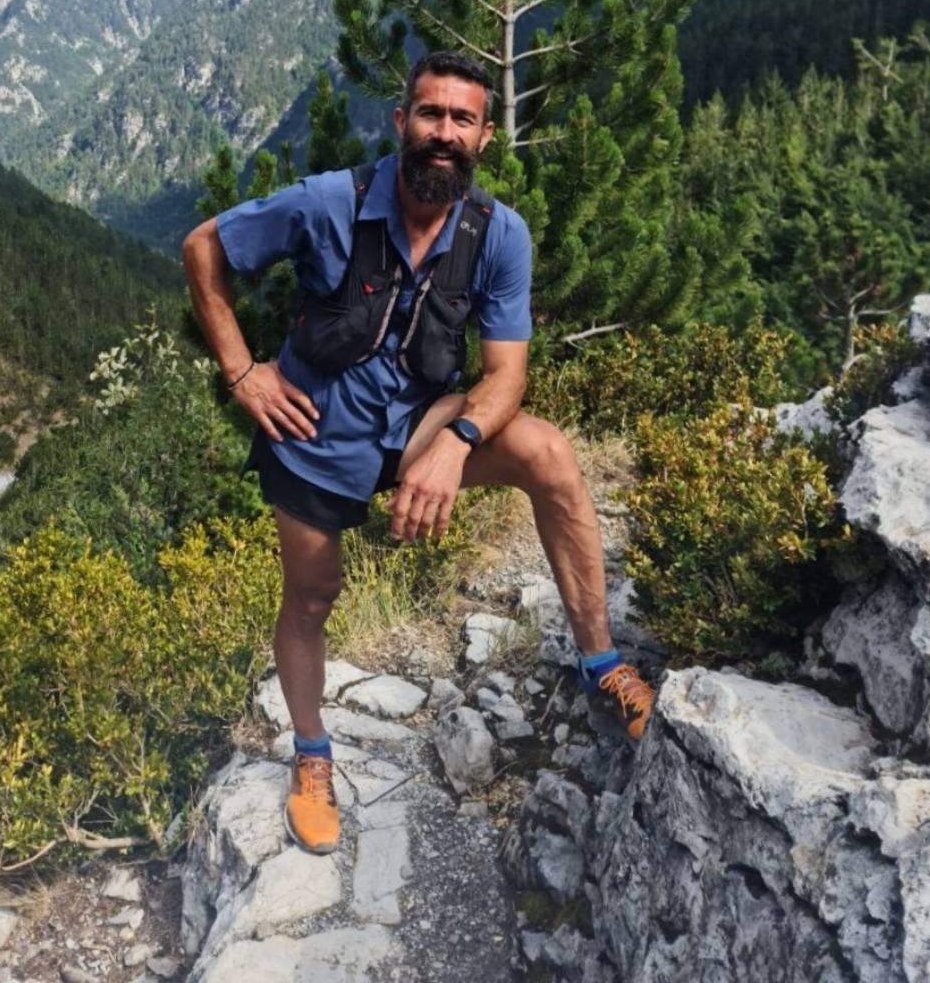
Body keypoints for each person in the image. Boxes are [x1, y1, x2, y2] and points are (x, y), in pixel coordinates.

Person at [182, 50, 654, 855]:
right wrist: (242, 373)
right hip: (312, 434)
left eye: (460, 120)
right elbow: (203, 247)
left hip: (420, 426)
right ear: (401, 123)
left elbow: (506, 374)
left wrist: (454, 443)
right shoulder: (330, 203)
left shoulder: (497, 235)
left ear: (484, 136)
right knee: (311, 597)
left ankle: (600, 664)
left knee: (547, 455)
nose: (443, 133)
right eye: (429, 114)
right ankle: (311, 755)